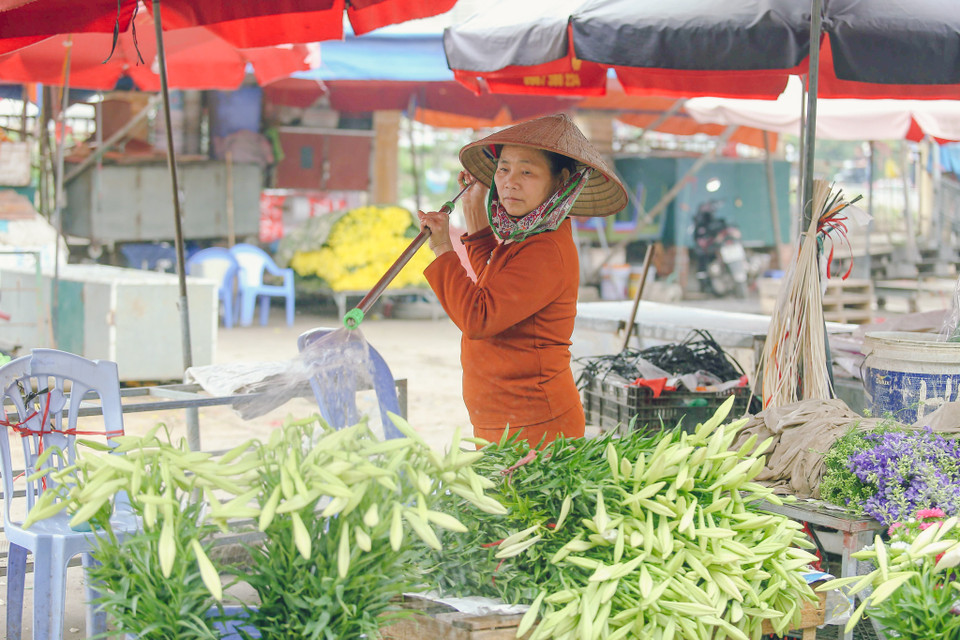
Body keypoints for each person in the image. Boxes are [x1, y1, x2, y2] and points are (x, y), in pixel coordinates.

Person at [417, 114, 627, 447]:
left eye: (527, 171)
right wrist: (477, 225)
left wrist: (444, 247)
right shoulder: (527, 234)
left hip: (536, 428)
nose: (510, 182)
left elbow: (479, 317)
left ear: (560, 182)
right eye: (503, 169)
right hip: (502, 422)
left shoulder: (546, 248)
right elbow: (495, 282)